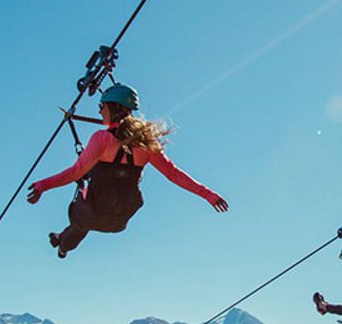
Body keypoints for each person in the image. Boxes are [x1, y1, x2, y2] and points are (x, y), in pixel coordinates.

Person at [27, 83, 228, 257]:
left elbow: (75, 172)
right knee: (85, 214)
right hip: (119, 218)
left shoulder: (102, 139)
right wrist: (209, 195)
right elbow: (174, 174)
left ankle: (63, 244)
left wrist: (42, 186)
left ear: (113, 106)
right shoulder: (147, 145)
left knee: (82, 207)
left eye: (101, 106)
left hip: (93, 211)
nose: (99, 111)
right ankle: (62, 239)